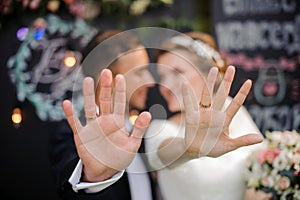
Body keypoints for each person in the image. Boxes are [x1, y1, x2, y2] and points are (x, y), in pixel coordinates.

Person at [49, 28, 264, 200]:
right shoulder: (71, 133)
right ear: (110, 77)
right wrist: (93, 175)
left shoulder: (139, 129)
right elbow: (67, 187)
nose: (153, 83)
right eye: (141, 71)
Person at [144, 31, 270, 200]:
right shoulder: (159, 129)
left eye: (177, 72)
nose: (165, 85)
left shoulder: (233, 111)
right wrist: (187, 148)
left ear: (209, 73)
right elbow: (162, 156)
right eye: (162, 76)